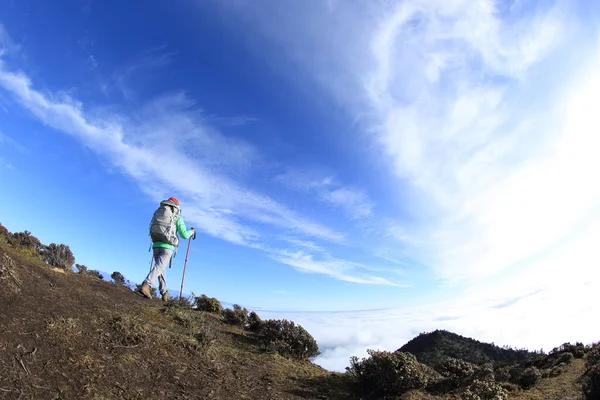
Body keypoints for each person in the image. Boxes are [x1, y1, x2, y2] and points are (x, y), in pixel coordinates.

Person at [139, 197, 195, 301]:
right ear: (176, 206)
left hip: (156, 243)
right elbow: (184, 235)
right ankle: (147, 284)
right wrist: (192, 232)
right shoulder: (176, 216)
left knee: (160, 268)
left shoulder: (159, 212)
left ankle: (164, 293)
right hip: (168, 246)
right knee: (159, 267)